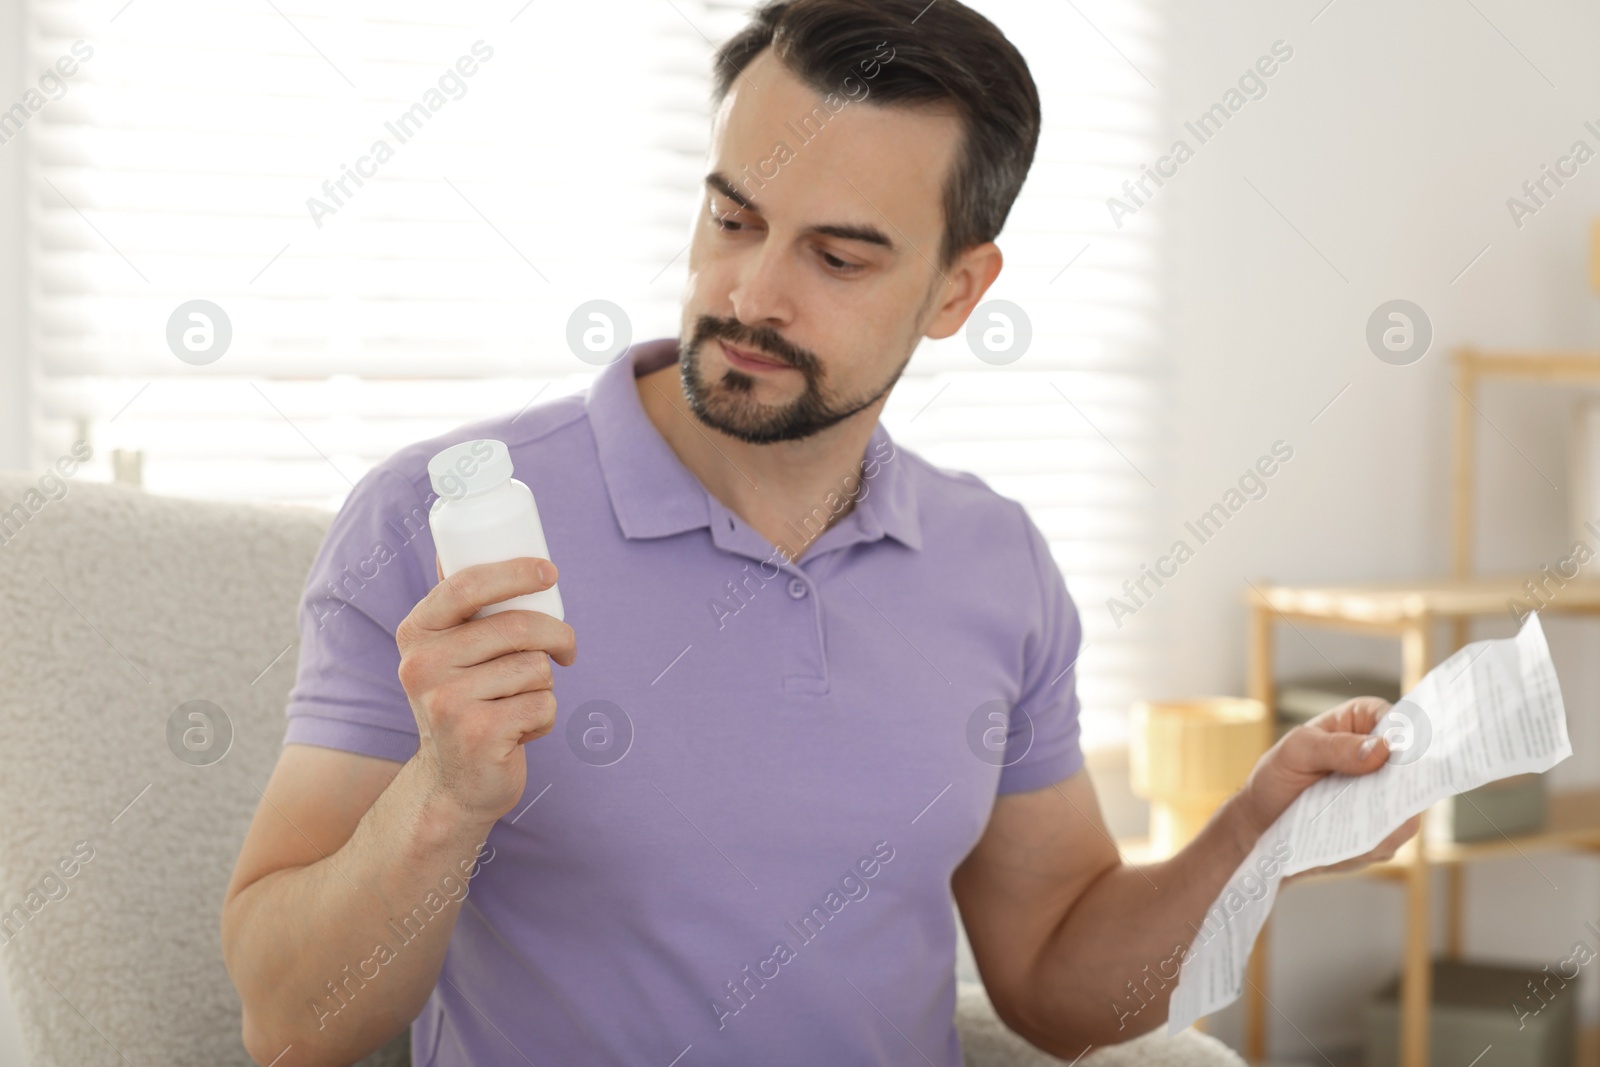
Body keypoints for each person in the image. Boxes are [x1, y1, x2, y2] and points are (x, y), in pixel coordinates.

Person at [221, 1, 1417, 1064]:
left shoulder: (992, 562)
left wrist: (1256, 832)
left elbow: (1057, 986)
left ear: (956, 292)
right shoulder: (434, 522)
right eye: (733, 220)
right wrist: (444, 795)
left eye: (837, 256)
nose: (749, 294)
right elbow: (290, 1026)